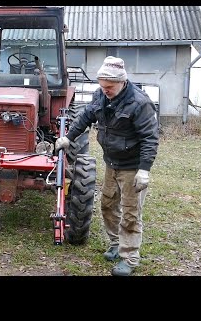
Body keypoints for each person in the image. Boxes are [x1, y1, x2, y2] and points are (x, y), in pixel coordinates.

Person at [55, 56, 159, 276]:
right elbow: (85, 116)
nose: (105, 91)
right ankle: (115, 244)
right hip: (111, 163)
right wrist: (69, 137)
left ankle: (129, 258)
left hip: (132, 166)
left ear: (122, 82)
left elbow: (150, 138)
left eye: (109, 87)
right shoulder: (101, 96)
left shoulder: (140, 103)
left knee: (131, 213)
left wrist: (144, 169)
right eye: (102, 86)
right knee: (108, 206)